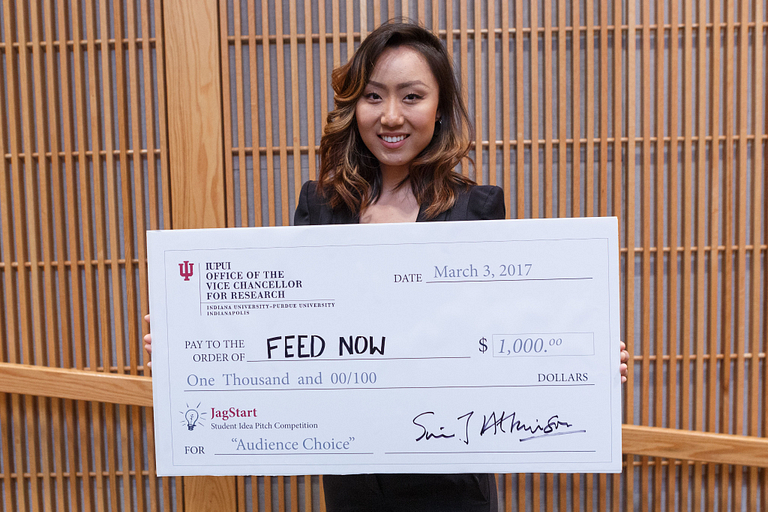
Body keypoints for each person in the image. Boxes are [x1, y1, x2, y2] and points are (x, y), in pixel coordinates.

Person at [145, 20, 630, 511]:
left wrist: (582, 363)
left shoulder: (476, 208)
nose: (391, 116)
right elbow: (282, 326)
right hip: (352, 478)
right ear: (354, 105)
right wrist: (186, 342)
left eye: (412, 97)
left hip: (451, 480)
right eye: (374, 97)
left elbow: (502, 334)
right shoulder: (321, 206)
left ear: (439, 108)